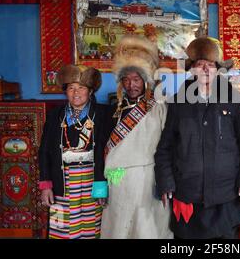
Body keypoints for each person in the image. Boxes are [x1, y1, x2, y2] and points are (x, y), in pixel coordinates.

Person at [154, 36, 240, 239]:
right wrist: (166, 182)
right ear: (192, 69)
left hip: (225, 195)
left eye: (211, 65)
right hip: (188, 195)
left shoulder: (234, 99)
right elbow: (165, 148)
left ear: (218, 69)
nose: (206, 70)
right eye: (200, 65)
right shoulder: (179, 102)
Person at [101, 35, 172, 239]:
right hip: (118, 180)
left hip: (148, 178)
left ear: (145, 80)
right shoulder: (113, 110)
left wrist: (165, 181)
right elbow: (102, 148)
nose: (131, 85)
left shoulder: (159, 107)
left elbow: (168, 146)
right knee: (120, 229)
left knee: (148, 228)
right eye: (127, 79)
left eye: (136, 79)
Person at [38, 64, 110, 239]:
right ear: (65, 91)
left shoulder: (103, 114)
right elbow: (45, 151)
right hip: (62, 182)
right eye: (71, 88)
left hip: (93, 181)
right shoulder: (56, 115)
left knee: (91, 229)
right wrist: (46, 186)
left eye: (81, 88)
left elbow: (110, 151)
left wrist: (103, 186)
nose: (76, 93)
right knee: (61, 229)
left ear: (90, 91)